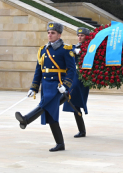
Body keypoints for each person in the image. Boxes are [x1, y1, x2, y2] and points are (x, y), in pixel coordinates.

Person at [15, 22, 76, 152]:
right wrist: (34, 88)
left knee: (45, 104)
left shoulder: (66, 49)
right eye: (48, 32)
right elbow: (39, 70)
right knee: (51, 115)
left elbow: (72, 70)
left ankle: (26, 119)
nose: (50, 35)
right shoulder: (43, 49)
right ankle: (60, 144)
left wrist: (66, 86)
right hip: (46, 85)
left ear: (59, 35)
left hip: (58, 86)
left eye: (53, 33)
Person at [61, 27, 90, 138]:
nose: (79, 37)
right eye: (78, 35)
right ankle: (82, 130)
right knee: (75, 104)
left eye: (82, 35)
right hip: (73, 76)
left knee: (72, 98)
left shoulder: (89, 48)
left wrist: (83, 51)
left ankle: (82, 130)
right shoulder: (74, 47)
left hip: (82, 78)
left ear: (87, 37)